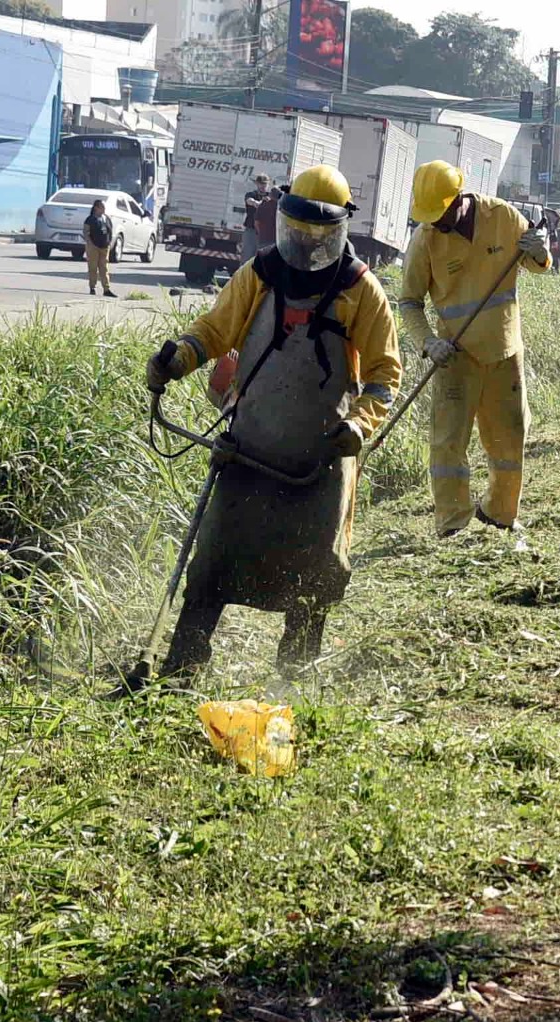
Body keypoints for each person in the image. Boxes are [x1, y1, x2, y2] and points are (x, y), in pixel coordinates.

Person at [142, 165, 401, 678]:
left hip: (322, 460)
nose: (304, 244)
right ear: (284, 221)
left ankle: (295, 674)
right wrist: (177, 360)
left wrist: (359, 426)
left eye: (316, 235)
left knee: (316, 575)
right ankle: (182, 666)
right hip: (249, 451)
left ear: (339, 230)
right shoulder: (258, 275)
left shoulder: (361, 291)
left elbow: (383, 375)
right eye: (297, 231)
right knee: (212, 561)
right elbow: (214, 332)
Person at [399, 160, 550, 537]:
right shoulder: (425, 239)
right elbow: (409, 302)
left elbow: (538, 265)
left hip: (504, 351)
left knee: (510, 439)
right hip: (454, 357)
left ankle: (499, 515)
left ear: (458, 201)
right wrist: (428, 343)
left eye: (441, 214)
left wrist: (541, 249)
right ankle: (453, 525)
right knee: (447, 444)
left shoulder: (502, 216)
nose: (437, 222)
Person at [83, 199, 117, 298]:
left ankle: (106, 289)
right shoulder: (90, 219)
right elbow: (85, 232)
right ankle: (92, 287)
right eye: (102, 207)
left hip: (104, 247)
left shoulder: (106, 218)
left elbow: (110, 230)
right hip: (93, 247)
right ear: (96, 208)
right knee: (93, 267)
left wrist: (109, 243)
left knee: (104, 268)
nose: (104, 209)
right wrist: (90, 243)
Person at [241, 174, 272, 262]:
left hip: (265, 233)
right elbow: (249, 200)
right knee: (247, 256)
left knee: (262, 259)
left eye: (265, 184)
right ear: (257, 184)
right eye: (261, 183)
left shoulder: (270, 197)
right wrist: (256, 203)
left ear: (268, 184)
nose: (263, 186)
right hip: (251, 230)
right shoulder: (251, 194)